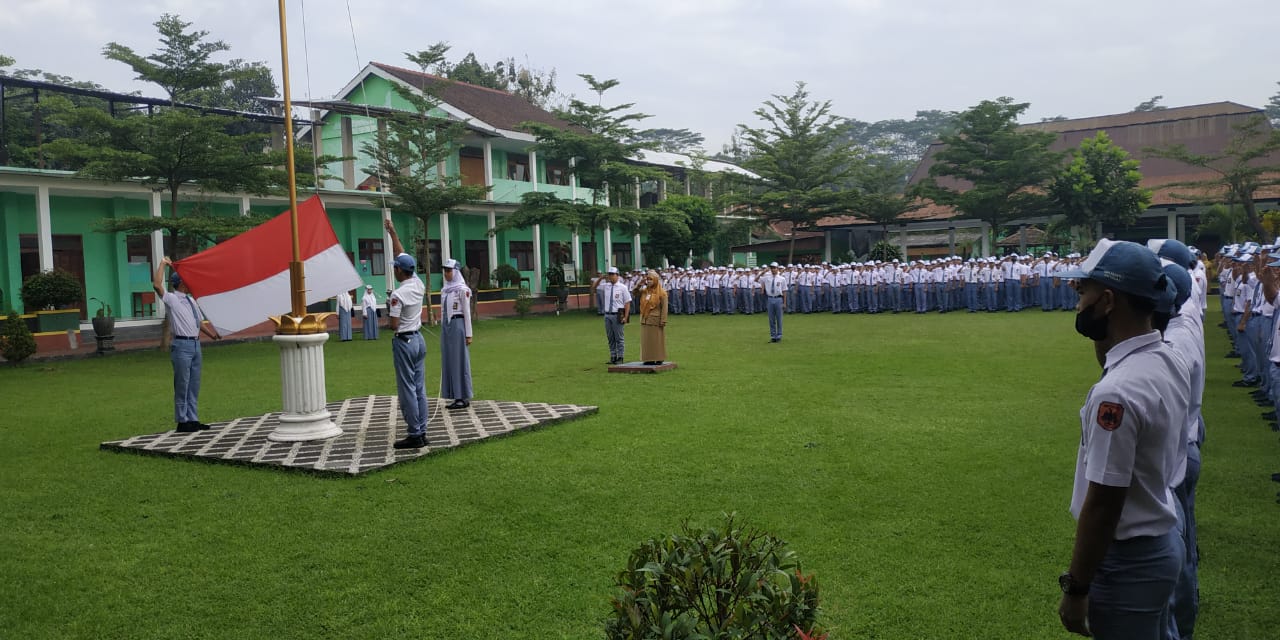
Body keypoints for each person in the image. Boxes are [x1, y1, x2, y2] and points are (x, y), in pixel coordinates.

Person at [1056, 239, 1188, 639]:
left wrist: (1076, 588)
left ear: (1108, 301)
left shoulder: (1116, 393)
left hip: (1129, 562)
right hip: (1159, 541)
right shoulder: (1165, 357)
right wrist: (1101, 319)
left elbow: (1104, 503)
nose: (1078, 304)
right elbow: (1113, 359)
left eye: (1084, 293)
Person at [153, 256, 222, 433]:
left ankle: (193, 418)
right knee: (182, 383)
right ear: (182, 283)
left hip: (195, 345)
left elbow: (197, 322)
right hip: (182, 345)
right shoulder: (172, 299)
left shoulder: (191, 301)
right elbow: (157, 285)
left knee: (194, 383)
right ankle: (182, 420)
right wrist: (162, 264)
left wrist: (212, 335)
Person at [382, 219, 430, 450]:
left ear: (400, 271)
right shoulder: (418, 284)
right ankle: (422, 430)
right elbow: (402, 254)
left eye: (395, 267)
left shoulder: (398, 295)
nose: (394, 269)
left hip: (404, 341)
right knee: (419, 388)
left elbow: (393, 324)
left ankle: (414, 434)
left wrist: (388, 310)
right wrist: (393, 232)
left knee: (407, 389)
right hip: (418, 339)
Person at [439, 258, 474, 409]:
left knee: (459, 360)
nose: (446, 273)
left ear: (455, 272)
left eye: (448, 270)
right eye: (445, 271)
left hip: (458, 324)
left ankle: (462, 396)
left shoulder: (462, 289)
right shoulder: (445, 290)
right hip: (447, 327)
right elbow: (443, 311)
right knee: (449, 360)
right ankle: (454, 394)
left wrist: (469, 334)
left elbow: (467, 312)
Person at [600, 266, 632, 364]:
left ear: (617, 275)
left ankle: (620, 357)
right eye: (609, 274)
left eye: (612, 274)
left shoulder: (623, 287)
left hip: (618, 313)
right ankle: (613, 356)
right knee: (610, 337)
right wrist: (601, 278)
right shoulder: (606, 286)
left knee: (619, 337)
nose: (610, 276)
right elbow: (594, 288)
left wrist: (626, 317)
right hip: (607, 314)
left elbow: (627, 303)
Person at [638, 270, 668, 365]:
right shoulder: (645, 291)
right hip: (645, 319)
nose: (649, 281)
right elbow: (635, 293)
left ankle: (659, 358)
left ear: (655, 280)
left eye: (651, 279)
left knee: (657, 341)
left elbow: (664, 308)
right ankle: (648, 358)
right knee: (647, 341)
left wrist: (663, 320)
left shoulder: (662, 293)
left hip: (656, 321)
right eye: (648, 279)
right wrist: (639, 284)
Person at [759, 262, 788, 342]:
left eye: (774, 268)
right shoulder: (767, 277)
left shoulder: (782, 279)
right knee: (771, 319)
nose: (773, 269)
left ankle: (779, 336)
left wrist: (784, 303)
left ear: (777, 268)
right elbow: (756, 279)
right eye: (771, 268)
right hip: (770, 299)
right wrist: (763, 272)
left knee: (779, 318)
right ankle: (773, 336)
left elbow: (784, 291)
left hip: (778, 299)